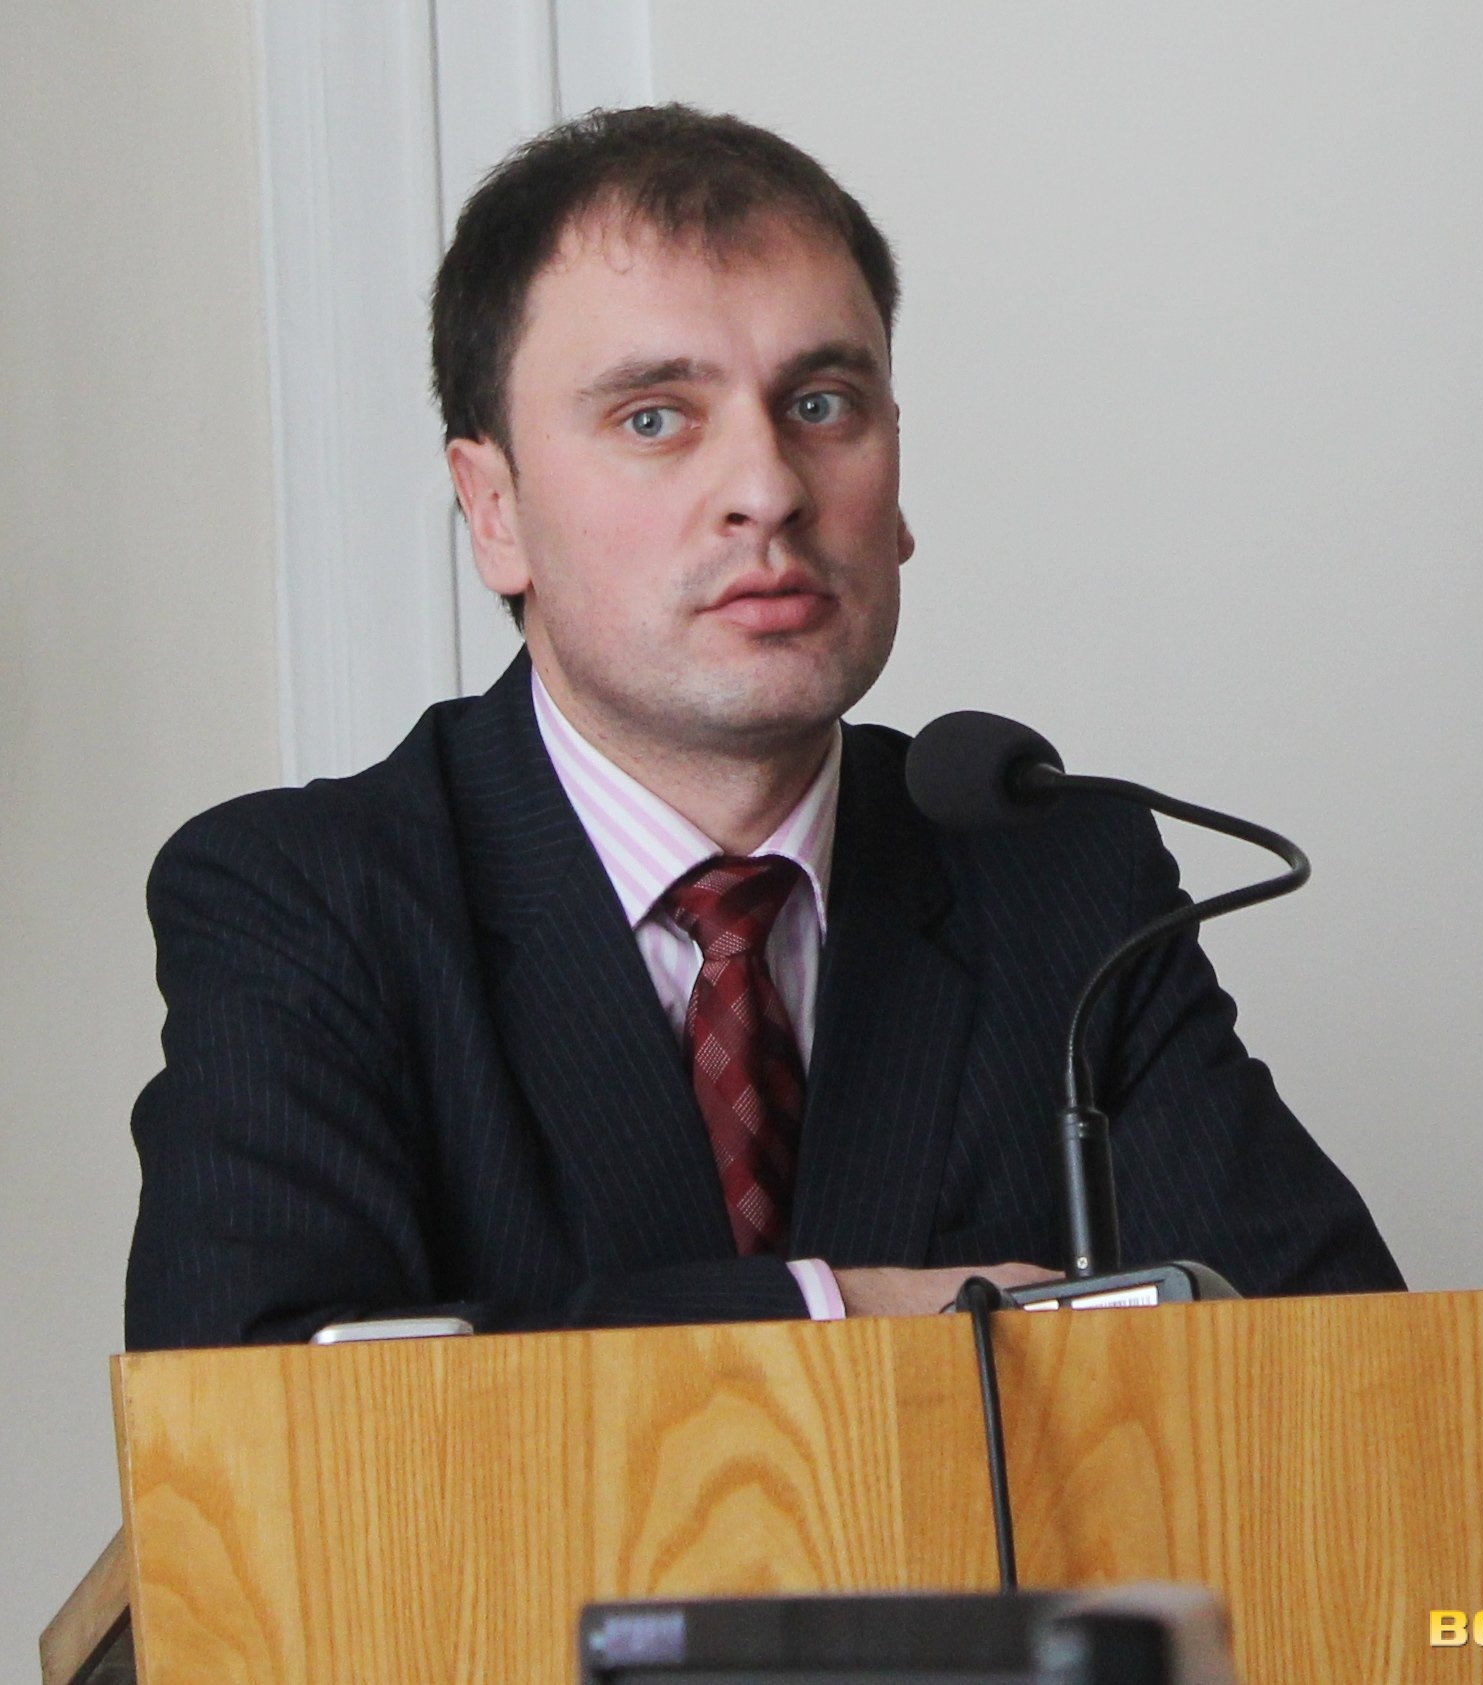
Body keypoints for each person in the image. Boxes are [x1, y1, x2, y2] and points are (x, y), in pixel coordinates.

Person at [124, 106, 1401, 1347]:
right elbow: (246, 1398)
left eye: (821, 404)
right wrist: (847, 1312)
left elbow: (1338, 1363)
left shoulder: (1063, 876)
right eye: (654, 417)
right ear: (493, 508)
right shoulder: (308, 896)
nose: (767, 489)